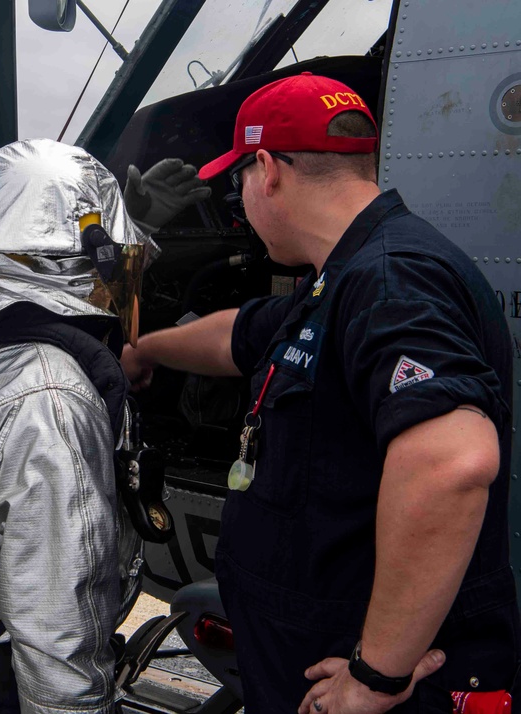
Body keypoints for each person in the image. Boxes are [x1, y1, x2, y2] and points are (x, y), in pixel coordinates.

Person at [121, 72, 521, 713]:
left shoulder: (391, 280)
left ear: (266, 169)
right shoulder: (342, 278)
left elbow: (452, 463)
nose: (242, 199)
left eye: (240, 181)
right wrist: (145, 351)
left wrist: (376, 676)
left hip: (376, 691)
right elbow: (241, 335)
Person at [0, 138, 207, 713]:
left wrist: (133, 222)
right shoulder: (49, 397)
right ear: (67, 264)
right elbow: (55, 630)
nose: (125, 283)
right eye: (111, 262)